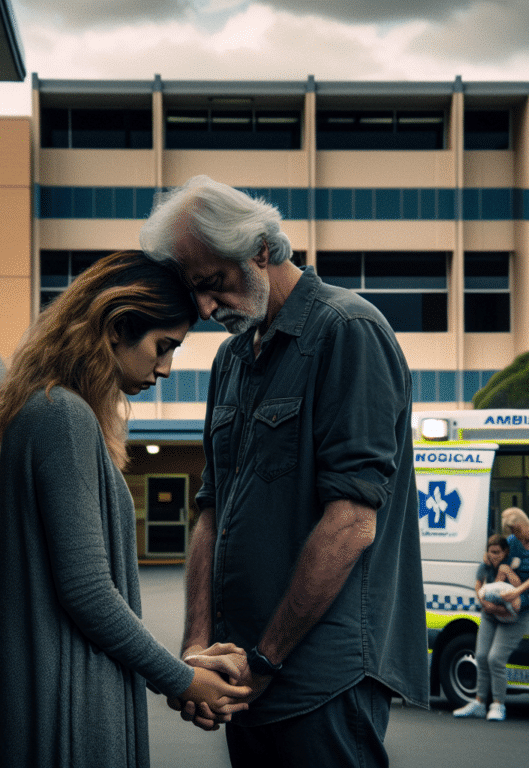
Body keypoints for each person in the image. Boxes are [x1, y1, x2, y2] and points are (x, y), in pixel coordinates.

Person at [140, 176, 429, 767]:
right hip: (244, 676)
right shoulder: (233, 359)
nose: (204, 308)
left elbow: (351, 521)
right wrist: (196, 652)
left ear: (262, 250)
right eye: (195, 291)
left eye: (214, 284)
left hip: (319, 677)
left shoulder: (349, 331)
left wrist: (266, 661)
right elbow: (210, 511)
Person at [0, 251, 251, 768]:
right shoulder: (62, 417)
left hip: (63, 695)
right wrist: (183, 679)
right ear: (113, 328)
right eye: (162, 346)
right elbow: (87, 591)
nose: (167, 368)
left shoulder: (51, 411)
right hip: (71, 707)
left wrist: (185, 672)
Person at [454, 507, 529, 722]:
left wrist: (517, 591)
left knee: (495, 658)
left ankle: (498, 704)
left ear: (525, 524)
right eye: (512, 532)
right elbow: (497, 554)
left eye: (517, 531)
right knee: (480, 656)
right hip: (503, 595)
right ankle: (480, 703)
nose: (515, 536)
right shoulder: (512, 541)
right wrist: (489, 558)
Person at [475, 534, 522, 620]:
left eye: (497, 552)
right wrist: (484, 603)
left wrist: (507, 571)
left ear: (505, 551)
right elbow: (478, 585)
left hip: (506, 606)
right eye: (491, 552)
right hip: (490, 606)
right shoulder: (485, 565)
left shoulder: (512, 563)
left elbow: (519, 587)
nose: (494, 556)